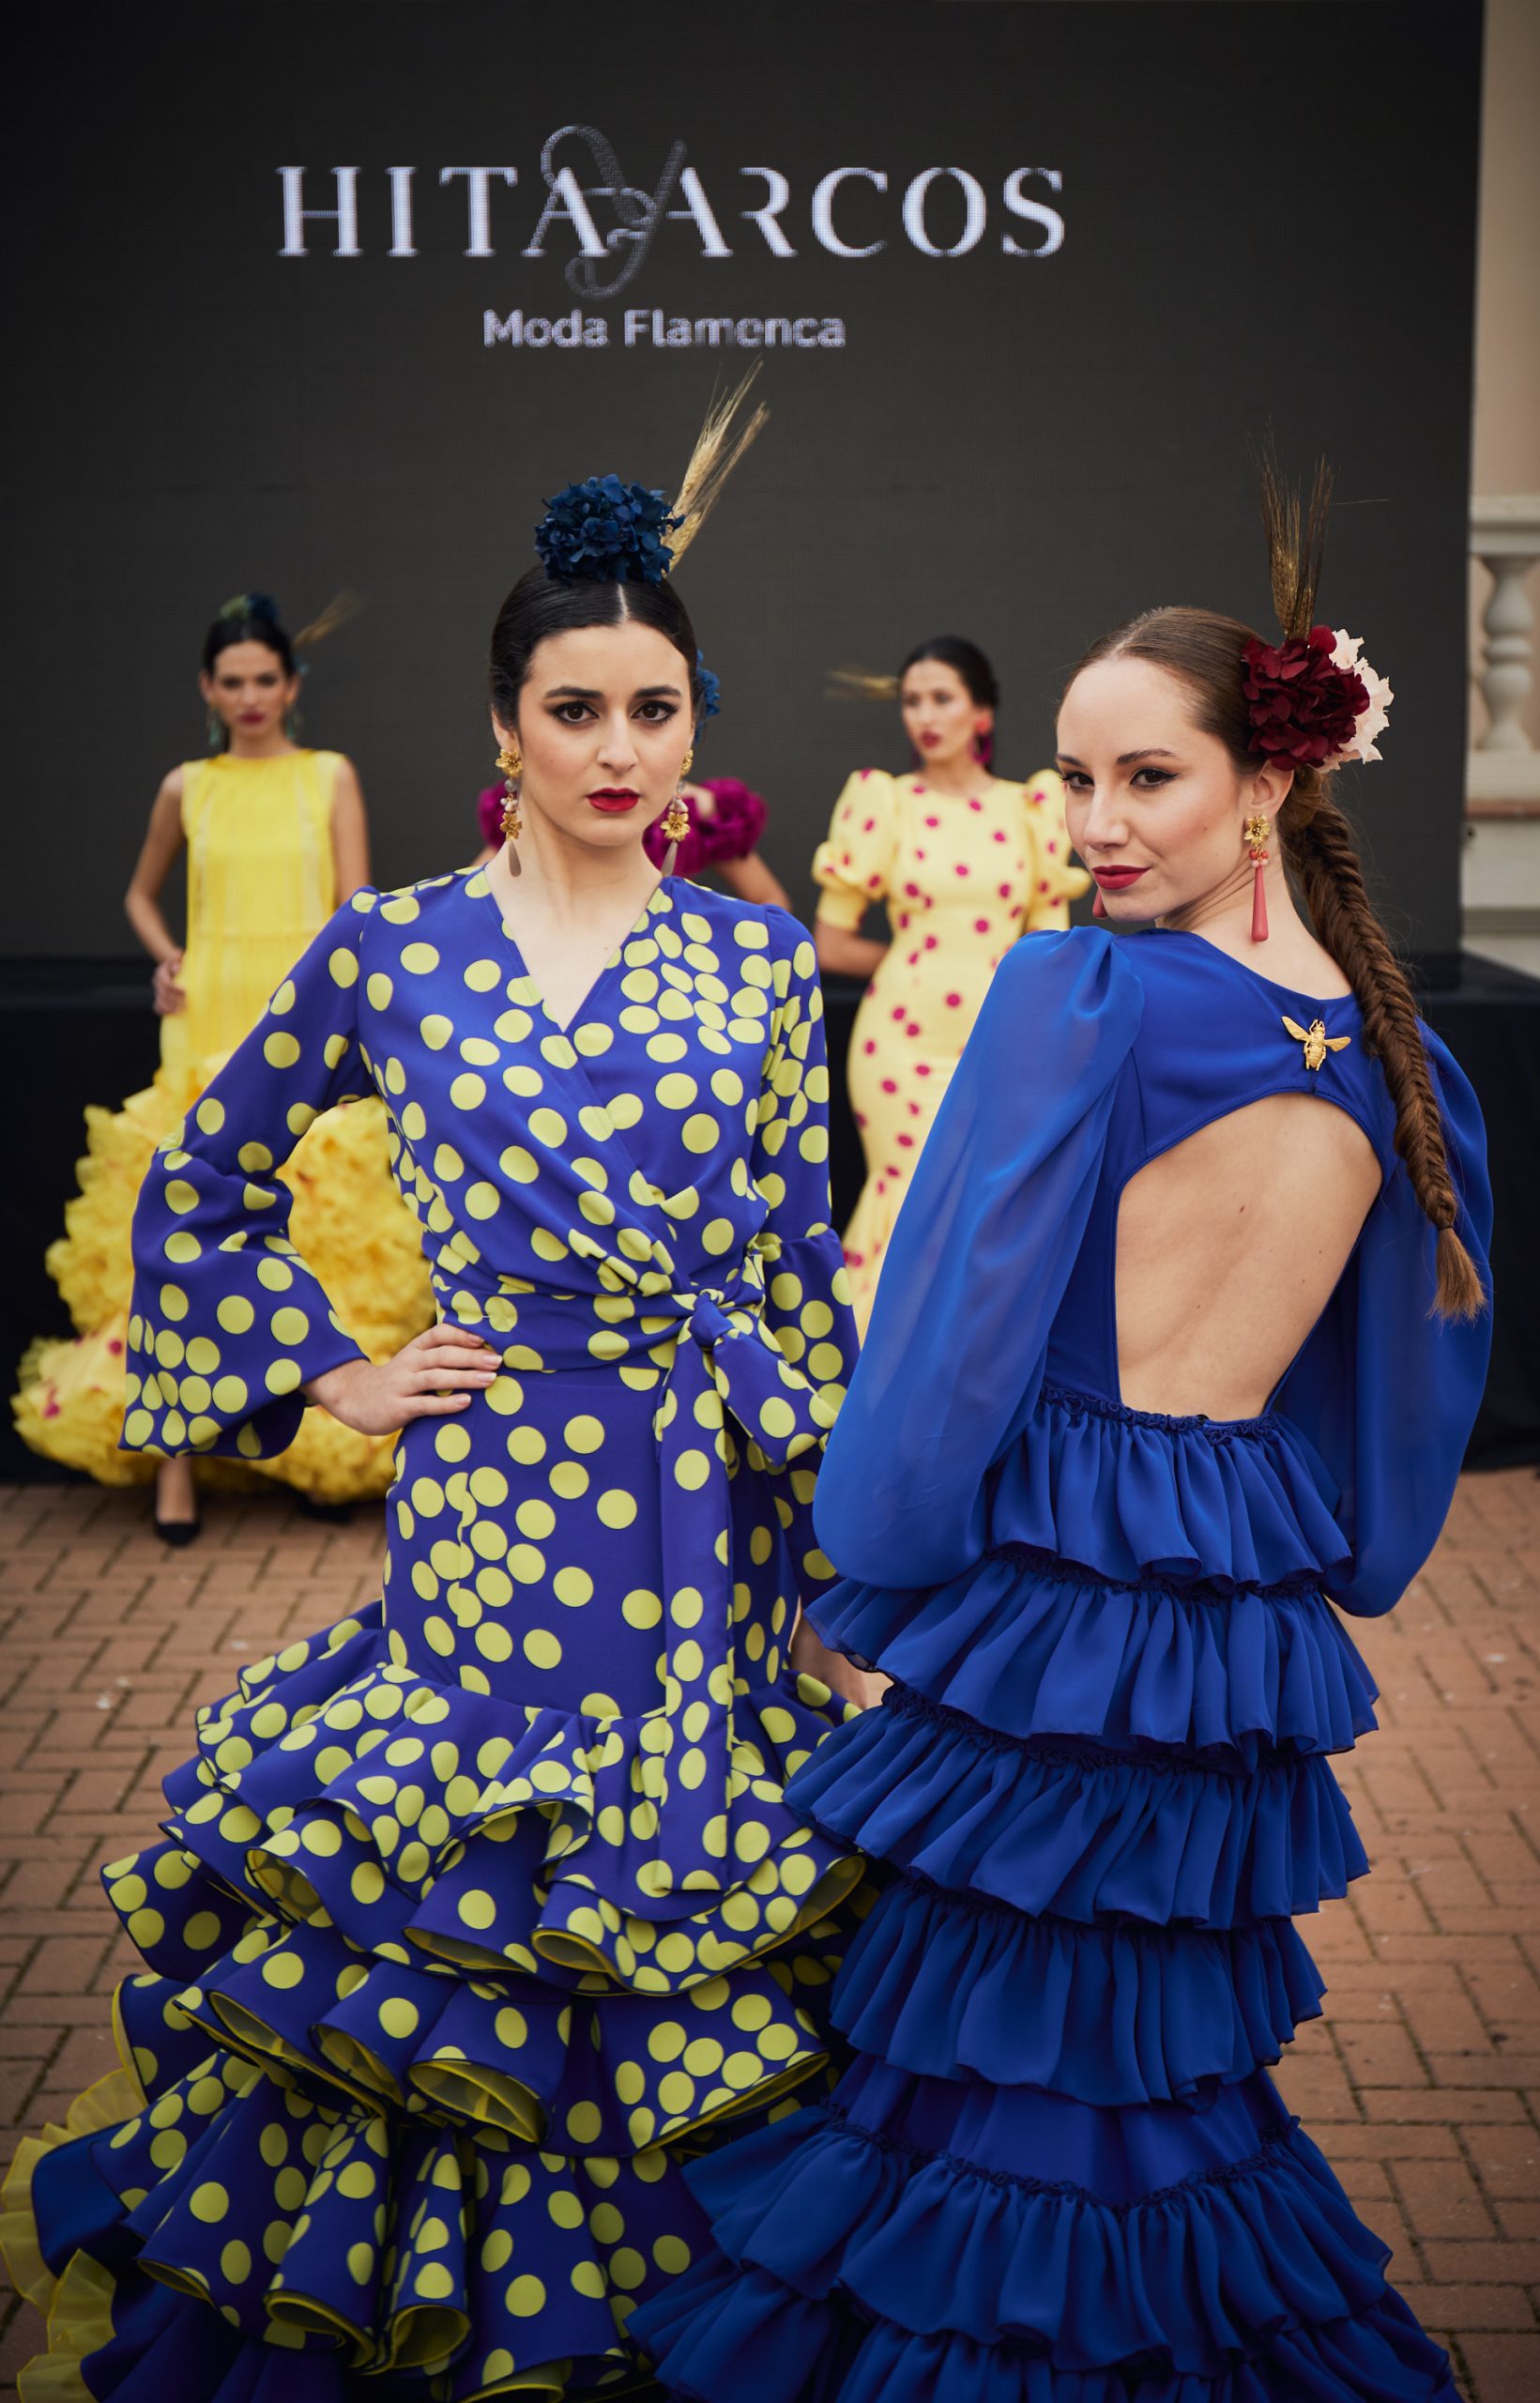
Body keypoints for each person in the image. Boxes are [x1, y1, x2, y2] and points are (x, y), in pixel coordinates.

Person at [1, 415, 877, 2400]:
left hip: (698, 1507)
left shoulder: (752, 963)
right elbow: (200, 1169)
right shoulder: (392, 947)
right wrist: (333, 1366)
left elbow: (785, 1268)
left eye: (656, 707)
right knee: (480, 1900)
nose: (619, 748)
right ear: (504, 722)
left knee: (689, 1881)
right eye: (576, 706)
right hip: (488, 1500)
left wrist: (831, 1561)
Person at [636, 479, 1491, 2400]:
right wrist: (1327, 1545)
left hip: (1044, 1569)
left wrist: (872, 1558)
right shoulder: (1396, 1049)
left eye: (1146, 778)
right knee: (1158, 2046)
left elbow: (951, 1322)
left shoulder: (1073, 989)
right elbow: (1417, 1373)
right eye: (1070, 778)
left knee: (990, 2038)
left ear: (1263, 783)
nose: (1093, 824)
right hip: (1228, 1603)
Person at [13, 593, 432, 1537]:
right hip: (206, 1027)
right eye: (232, 682)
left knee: (320, 1232)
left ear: (292, 684)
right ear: (209, 688)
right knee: (180, 1242)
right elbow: (137, 892)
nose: (251, 697)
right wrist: (168, 955)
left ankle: (321, 1456)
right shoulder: (185, 786)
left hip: (303, 1022)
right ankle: (175, 1469)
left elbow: (356, 904)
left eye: (265, 680)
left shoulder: (329, 776)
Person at [813, 639, 1090, 1328]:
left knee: (986, 1201)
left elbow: (1049, 948)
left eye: (941, 698)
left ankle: (963, 1385)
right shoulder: (885, 802)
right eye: (911, 701)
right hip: (898, 1043)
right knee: (903, 1193)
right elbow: (829, 943)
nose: (923, 715)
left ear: (982, 711)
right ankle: (867, 1378)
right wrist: (922, 960)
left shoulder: (1031, 808)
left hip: (1000, 1036)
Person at [477, 764, 792, 910]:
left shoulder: (699, 811)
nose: (620, 754)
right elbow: (477, 893)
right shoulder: (538, 807)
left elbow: (770, 901)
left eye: (651, 714)